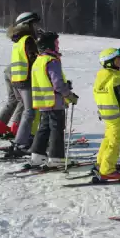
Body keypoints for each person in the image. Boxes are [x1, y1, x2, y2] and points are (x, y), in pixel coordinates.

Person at [28, 32, 79, 167]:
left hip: (44, 103)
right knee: (57, 128)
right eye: (56, 43)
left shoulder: (38, 61)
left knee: (44, 128)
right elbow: (57, 84)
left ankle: (37, 155)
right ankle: (56, 158)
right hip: (55, 102)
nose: (58, 46)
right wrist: (69, 95)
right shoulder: (52, 61)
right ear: (49, 45)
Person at [92, 47, 120, 180]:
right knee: (114, 142)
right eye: (118, 60)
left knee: (108, 138)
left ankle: (101, 162)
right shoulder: (115, 78)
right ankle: (107, 169)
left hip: (105, 113)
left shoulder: (101, 76)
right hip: (115, 114)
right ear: (109, 61)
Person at [4, 12, 41, 158]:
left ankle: (26, 138)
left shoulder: (18, 40)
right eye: (33, 24)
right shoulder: (28, 40)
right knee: (30, 112)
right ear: (27, 25)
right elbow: (34, 60)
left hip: (18, 80)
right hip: (26, 80)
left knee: (28, 111)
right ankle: (21, 142)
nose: (35, 27)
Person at [0, 64, 24, 139]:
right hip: (19, 72)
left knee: (13, 99)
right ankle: (15, 130)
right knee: (22, 100)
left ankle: (0, 128)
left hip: (10, 70)